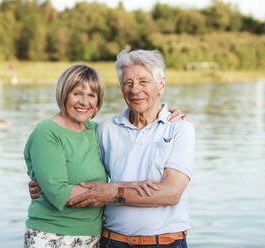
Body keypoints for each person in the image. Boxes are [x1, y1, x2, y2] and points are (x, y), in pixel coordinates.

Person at [23, 63, 184, 248]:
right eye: (77, 94)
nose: (84, 102)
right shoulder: (47, 132)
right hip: (52, 236)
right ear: (63, 93)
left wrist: (166, 116)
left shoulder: (97, 131)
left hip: (94, 237)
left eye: (91, 95)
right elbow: (60, 194)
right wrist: (118, 189)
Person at [67, 50, 195, 248]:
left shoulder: (180, 128)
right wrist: (43, 184)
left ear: (161, 85)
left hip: (165, 243)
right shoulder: (106, 129)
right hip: (112, 241)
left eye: (144, 82)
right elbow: (81, 175)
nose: (135, 90)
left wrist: (112, 192)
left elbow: (170, 193)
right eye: (128, 83)